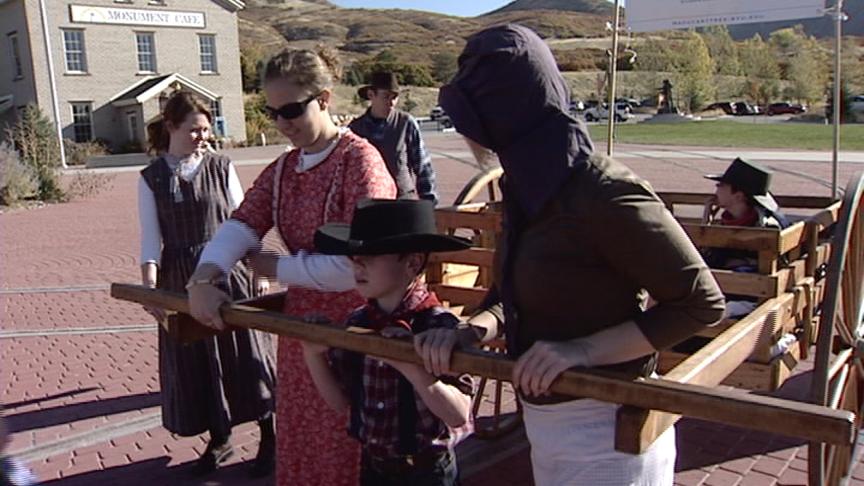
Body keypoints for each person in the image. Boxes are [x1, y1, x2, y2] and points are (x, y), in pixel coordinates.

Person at [413, 25, 726, 486]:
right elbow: (513, 293)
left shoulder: (603, 193)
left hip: (610, 431)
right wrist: (473, 330)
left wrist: (582, 351)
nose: (467, 135)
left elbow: (701, 302)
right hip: (550, 428)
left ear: (505, 115)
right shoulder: (526, 186)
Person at [186, 48, 397, 485]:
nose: (282, 122)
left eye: (292, 109)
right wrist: (205, 277)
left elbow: (363, 266)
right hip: (304, 334)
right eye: (272, 111)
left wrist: (279, 269)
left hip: (356, 330)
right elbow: (242, 224)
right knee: (305, 441)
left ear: (324, 98)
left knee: (348, 445)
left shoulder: (360, 162)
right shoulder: (284, 168)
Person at [137, 92, 276, 477]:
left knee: (248, 356)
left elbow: (246, 221)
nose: (203, 137)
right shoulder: (151, 178)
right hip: (180, 279)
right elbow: (151, 239)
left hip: (229, 273)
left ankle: (269, 435)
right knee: (199, 362)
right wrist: (150, 288)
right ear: (171, 128)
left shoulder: (221, 166)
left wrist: (261, 271)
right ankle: (220, 438)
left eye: (206, 129)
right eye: (194, 130)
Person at [300, 199, 474, 486]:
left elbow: (458, 415)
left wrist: (414, 370)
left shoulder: (440, 328)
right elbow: (340, 402)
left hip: (426, 472)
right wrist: (313, 354)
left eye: (372, 254)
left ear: (413, 263)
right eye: (354, 255)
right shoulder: (357, 322)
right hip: (374, 467)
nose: (358, 263)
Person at [349, 71, 439, 203]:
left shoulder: (405, 123)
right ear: (371, 95)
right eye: (386, 96)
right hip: (369, 204)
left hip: (402, 202)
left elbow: (423, 167)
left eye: (395, 97)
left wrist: (429, 204)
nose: (391, 103)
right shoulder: (355, 129)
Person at [702, 157, 790, 271]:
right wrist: (707, 222)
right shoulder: (732, 220)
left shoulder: (767, 226)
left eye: (721, 185)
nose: (716, 188)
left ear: (739, 196)